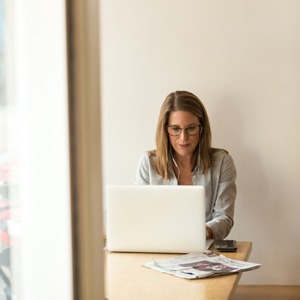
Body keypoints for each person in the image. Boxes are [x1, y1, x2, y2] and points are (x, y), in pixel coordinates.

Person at [135, 91, 237, 241]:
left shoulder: (222, 162)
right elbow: (139, 217)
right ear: (165, 130)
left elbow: (224, 218)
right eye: (175, 129)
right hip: (158, 247)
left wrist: (200, 233)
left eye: (190, 128)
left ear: (201, 128)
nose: (183, 138)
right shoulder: (148, 163)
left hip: (203, 250)